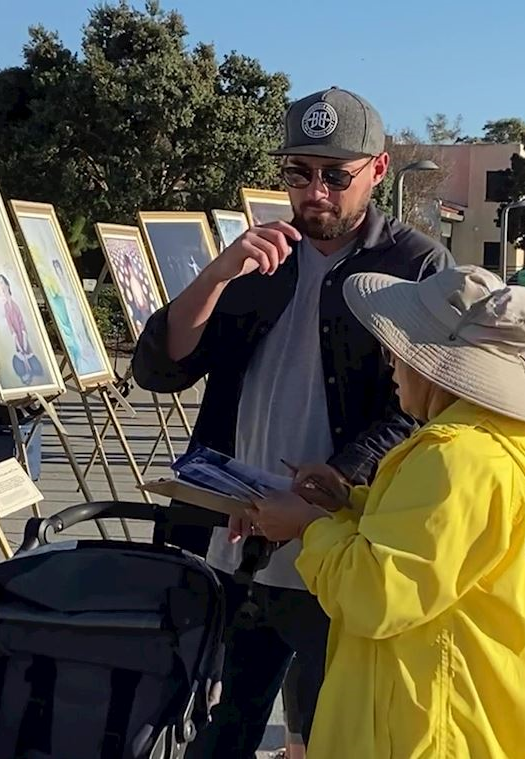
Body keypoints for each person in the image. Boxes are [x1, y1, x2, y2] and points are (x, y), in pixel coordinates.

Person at [132, 86, 453, 758]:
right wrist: (217, 274)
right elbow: (161, 370)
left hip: (336, 544)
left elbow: (417, 412)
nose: (316, 193)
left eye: (336, 176)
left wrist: (317, 496)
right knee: (217, 726)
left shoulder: (415, 265)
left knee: (329, 732)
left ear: (378, 170)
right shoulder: (257, 257)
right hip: (230, 536)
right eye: (298, 173)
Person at [248, 266, 525, 759]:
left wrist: (307, 526)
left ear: (437, 364)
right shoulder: (499, 442)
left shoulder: (455, 459)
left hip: (438, 728)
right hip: (485, 719)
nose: (391, 362)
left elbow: (379, 594)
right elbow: (436, 548)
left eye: (400, 347)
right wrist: (347, 505)